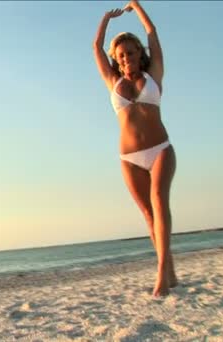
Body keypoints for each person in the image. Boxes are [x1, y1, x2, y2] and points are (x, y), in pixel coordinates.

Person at [92, 0, 177, 297]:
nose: (126, 57)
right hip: (129, 159)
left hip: (160, 150)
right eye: (121, 54)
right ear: (116, 59)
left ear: (140, 53)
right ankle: (170, 269)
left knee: (159, 201)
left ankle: (162, 276)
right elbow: (96, 48)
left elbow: (152, 32)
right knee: (148, 215)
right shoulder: (112, 81)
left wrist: (135, 5)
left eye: (131, 52)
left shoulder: (154, 73)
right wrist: (106, 19)